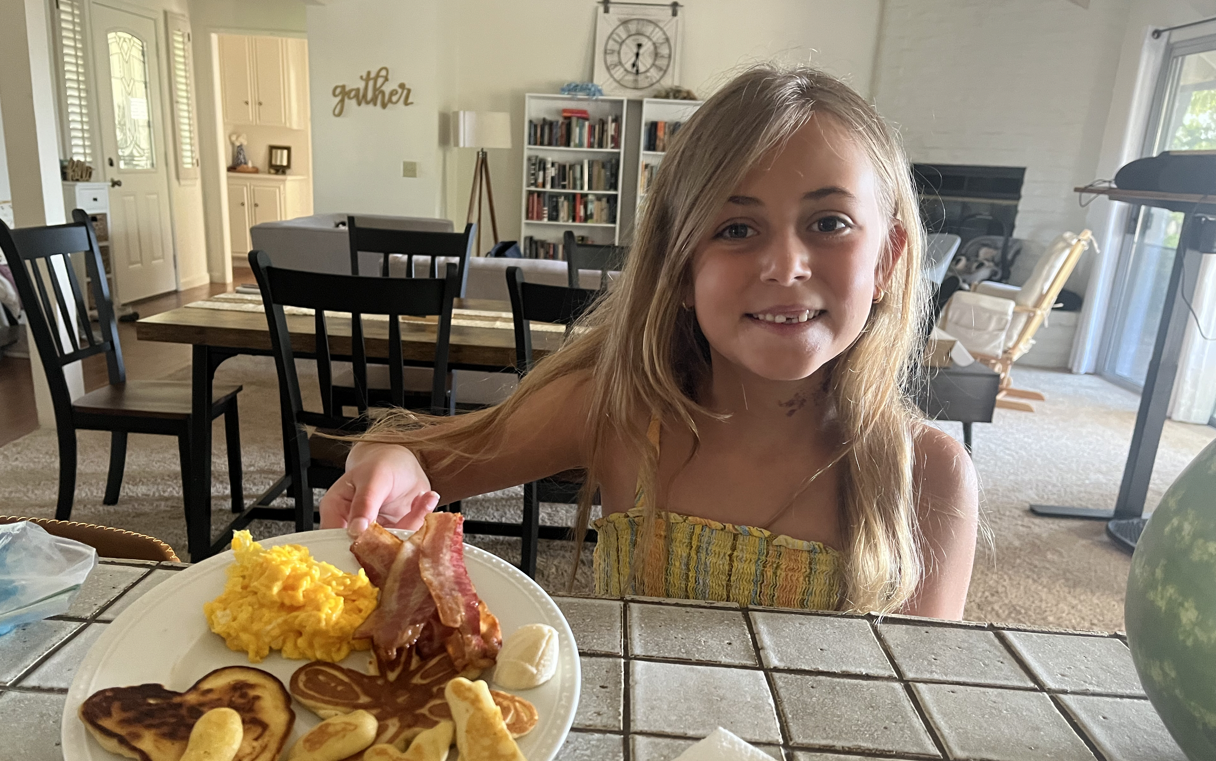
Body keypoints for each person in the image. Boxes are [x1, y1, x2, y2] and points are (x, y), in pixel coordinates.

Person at [320, 65, 978, 620]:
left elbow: (917, 702)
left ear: (888, 259)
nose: (785, 266)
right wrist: (387, 465)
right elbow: (420, 455)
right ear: (679, 269)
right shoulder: (619, 412)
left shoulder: (927, 472)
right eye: (736, 229)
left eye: (829, 223)